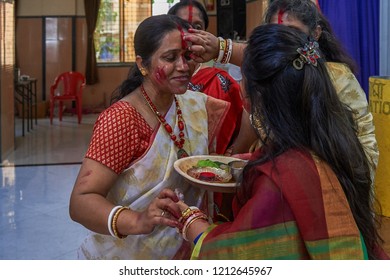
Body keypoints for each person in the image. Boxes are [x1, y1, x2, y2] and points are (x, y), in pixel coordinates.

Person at [168, 24, 388, 260]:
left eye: (243, 77)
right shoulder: (335, 141)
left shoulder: (280, 181)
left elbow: (235, 255)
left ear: (257, 98)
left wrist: (190, 221)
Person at [69, 14, 230, 260]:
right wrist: (137, 220)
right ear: (142, 64)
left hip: (185, 250)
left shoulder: (194, 105)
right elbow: (81, 203)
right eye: (170, 57)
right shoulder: (122, 119)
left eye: (188, 56)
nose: (184, 66)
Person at [184, 0, 379, 183]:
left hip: (321, 183)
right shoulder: (268, 77)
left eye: (292, 32)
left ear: (316, 33)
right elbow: (257, 123)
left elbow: (358, 147)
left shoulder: (337, 79)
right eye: (274, 32)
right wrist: (238, 160)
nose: (281, 42)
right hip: (273, 177)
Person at [168, 0, 243, 155]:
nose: (190, 34)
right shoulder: (159, 79)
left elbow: (242, 129)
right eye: (183, 25)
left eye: (197, 27)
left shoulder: (221, 82)